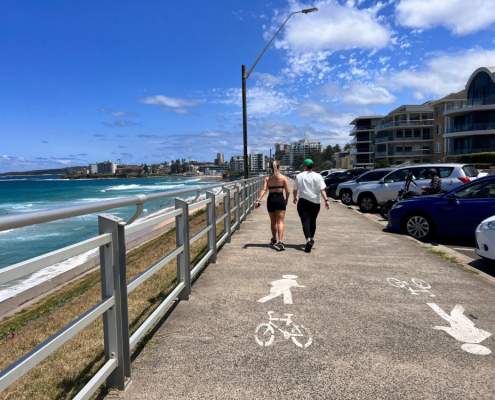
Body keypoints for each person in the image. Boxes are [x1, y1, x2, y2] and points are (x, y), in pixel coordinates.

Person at [293, 159, 329, 253]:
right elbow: (322, 189)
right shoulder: (318, 176)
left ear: (304, 166)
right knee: (313, 221)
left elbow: (295, 189)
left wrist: (294, 198)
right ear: (312, 166)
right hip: (315, 203)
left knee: (305, 221)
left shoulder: (299, 176)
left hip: (303, 202)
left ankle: (308, 239)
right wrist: (326, 200)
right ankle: (311, 238)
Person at [255, 160, 290, 251]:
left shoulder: (267, 178)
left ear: (271, 168)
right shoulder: (283, 178)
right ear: (279, 167)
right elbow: (288, 191)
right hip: (280, 199)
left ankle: (274, 239)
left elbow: (263, 190)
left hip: (271, 200)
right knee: (280, 221)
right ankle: (281, 241)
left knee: (273, 221)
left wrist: (258, 200)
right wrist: (286, 200)